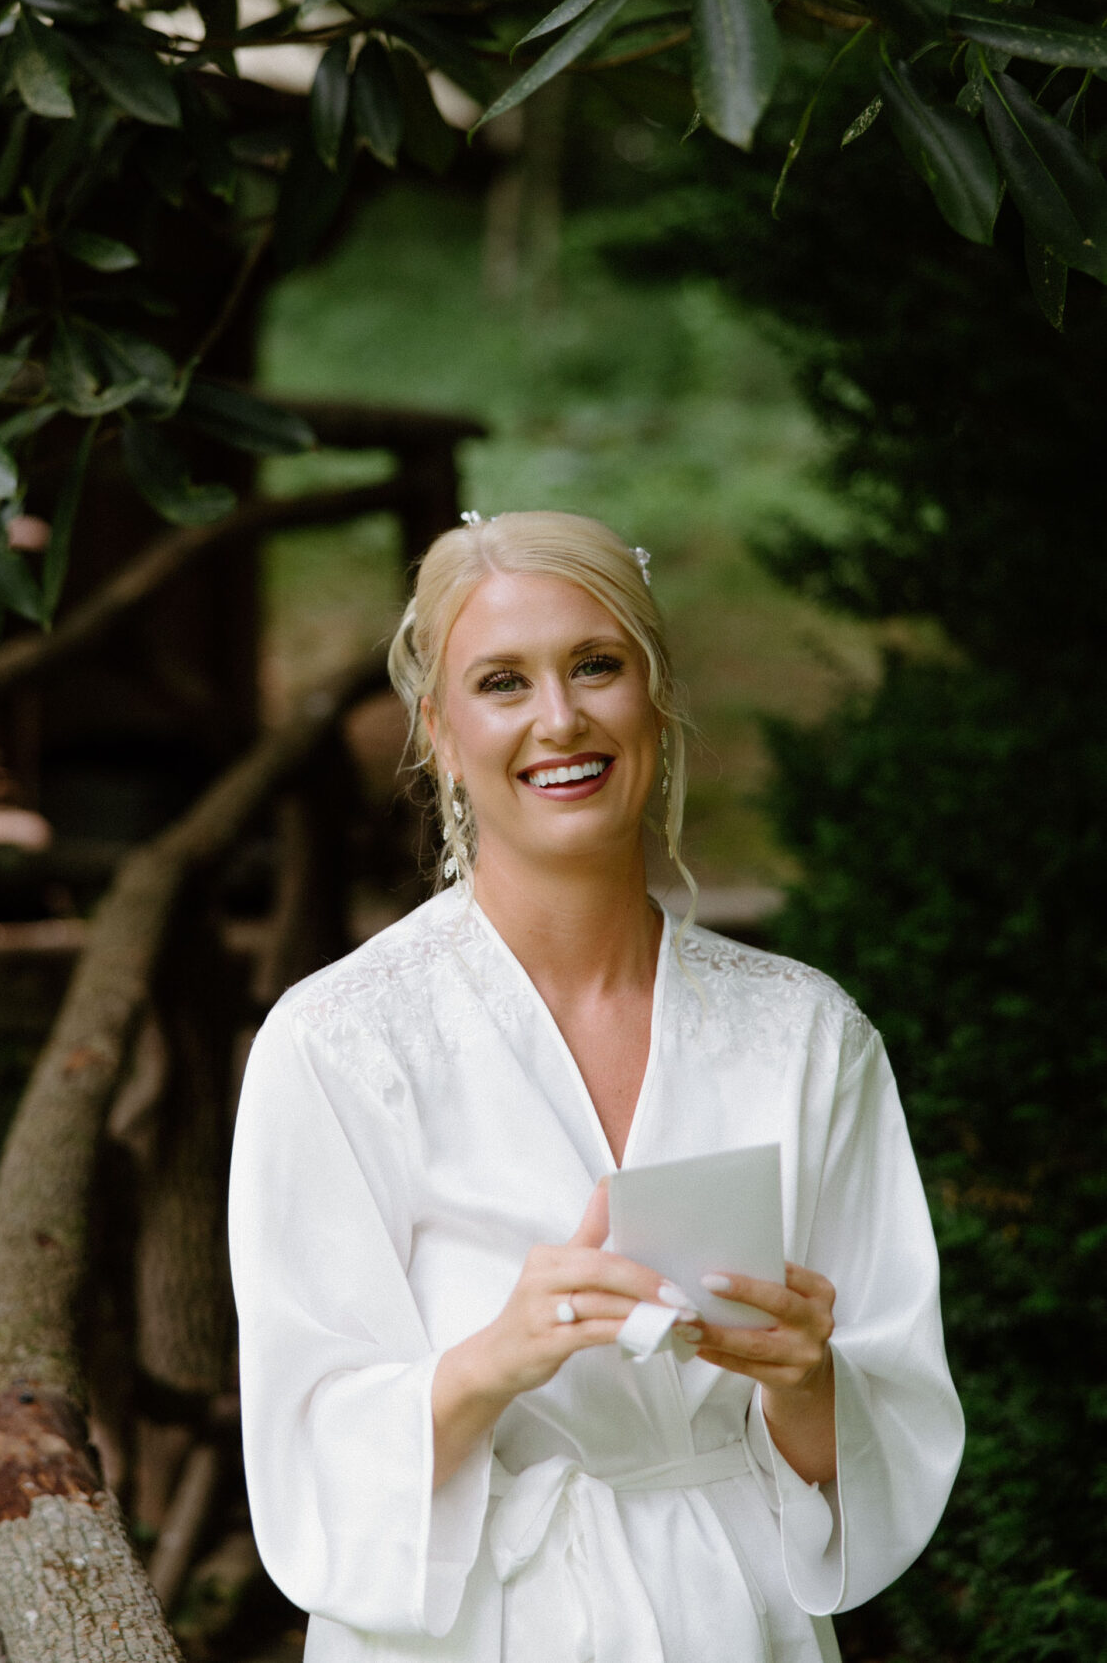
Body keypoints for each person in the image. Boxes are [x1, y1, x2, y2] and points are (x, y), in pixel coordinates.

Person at [229, 510, 963, 1662]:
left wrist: (806, 1383)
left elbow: (886, 1445)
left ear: (654, 695)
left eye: (595, 666)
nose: (560, 718)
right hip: (468, 1629)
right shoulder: (334, 1046)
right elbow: (303, 1445)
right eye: (502, 682)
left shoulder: (805, 1038)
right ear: (438, 729)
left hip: (737, 1623)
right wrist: (496, 1355)